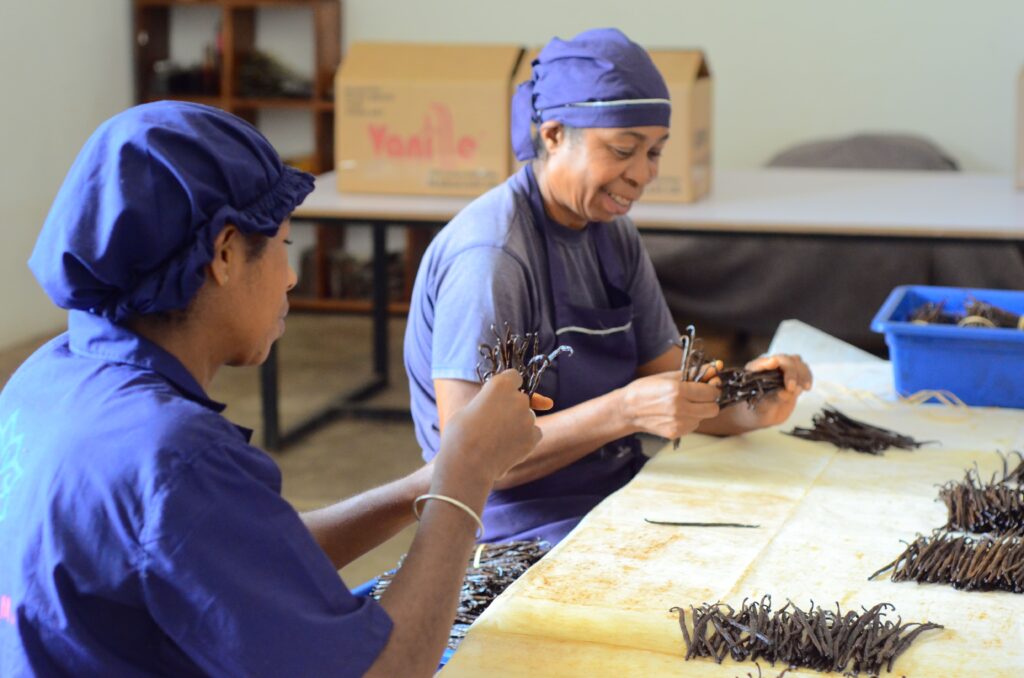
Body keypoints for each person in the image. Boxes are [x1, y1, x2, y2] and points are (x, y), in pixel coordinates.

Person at [0, 101, 548, 677]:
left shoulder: (49, 375)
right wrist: (465, 478)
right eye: (284, 245)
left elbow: (237, 557)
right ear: (226, 253)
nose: (290, 276)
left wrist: (423, 486)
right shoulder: (173, 453)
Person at [404, 28, 813, 546]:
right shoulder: (492, 258)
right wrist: (623, 411)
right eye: (624, 149)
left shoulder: (611, 233)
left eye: (656, 152)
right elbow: (468, 462)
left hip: (616, 497)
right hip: (514, 530)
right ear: (552, 135)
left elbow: (672, 389)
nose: (643, 174)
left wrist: (751, 400)